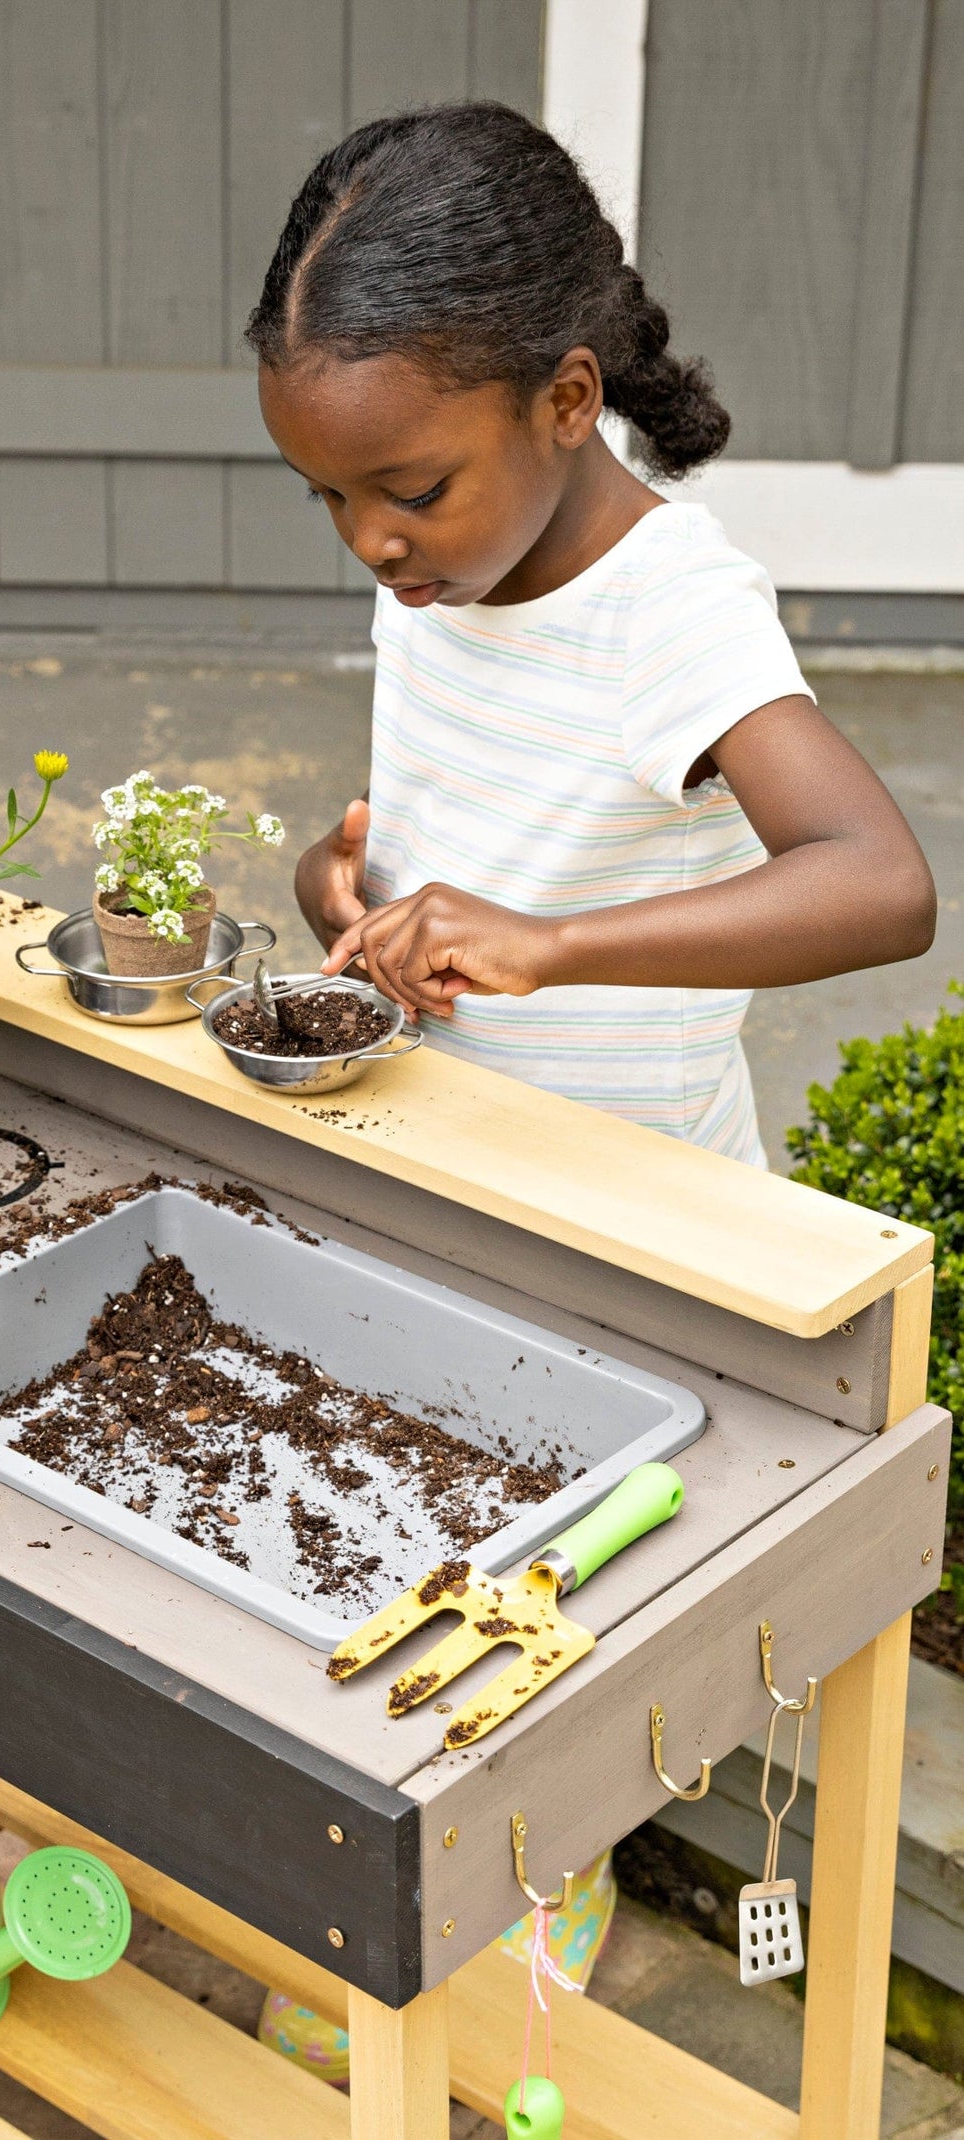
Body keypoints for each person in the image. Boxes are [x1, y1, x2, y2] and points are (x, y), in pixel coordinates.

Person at [240, 102, 934, 2077]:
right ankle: (443, 1885)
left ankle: (542, 1910)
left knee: (563, 1606)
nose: (374, 540)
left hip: (624, 1216)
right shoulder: (446, 566)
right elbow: (440, 824)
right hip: (455, 1166)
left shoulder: (672, 607)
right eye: (331, 502)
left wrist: (546, 942)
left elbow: (876, 881)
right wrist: (350, 888)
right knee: (420, 1530)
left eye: (408, 486)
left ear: (562, 398)